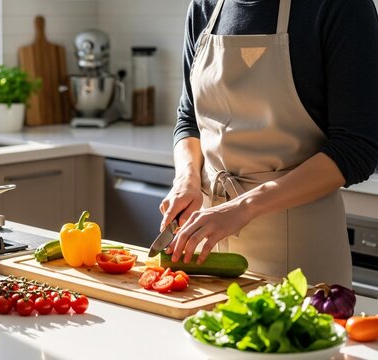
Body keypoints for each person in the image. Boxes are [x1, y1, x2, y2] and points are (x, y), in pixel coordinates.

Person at [160, 0, 378, 287]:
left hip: (301, 262)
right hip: (207, 253)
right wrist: (186, 179)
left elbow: (357, 147)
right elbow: (189, 119)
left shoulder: (342, 7)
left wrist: (244, 206)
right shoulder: (204, 6)